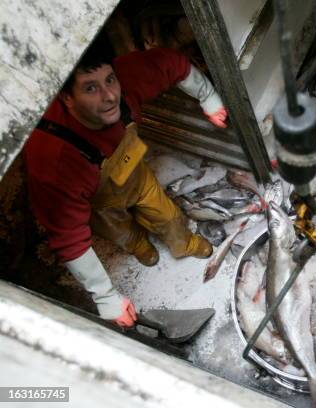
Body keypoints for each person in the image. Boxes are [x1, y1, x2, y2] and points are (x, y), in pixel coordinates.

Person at [24, 43, 228, 328]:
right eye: (90, 88)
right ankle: (141, 247)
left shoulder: (126, 78)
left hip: (136, 174)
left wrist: (208, 97)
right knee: (122, 233)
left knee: (169, 216)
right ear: (66, 98)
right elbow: (68, 239)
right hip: (98, 201)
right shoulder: (53, 161)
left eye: (109, 80)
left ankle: (185, 244)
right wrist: (106, 298)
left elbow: (173, 63)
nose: (109, 96)